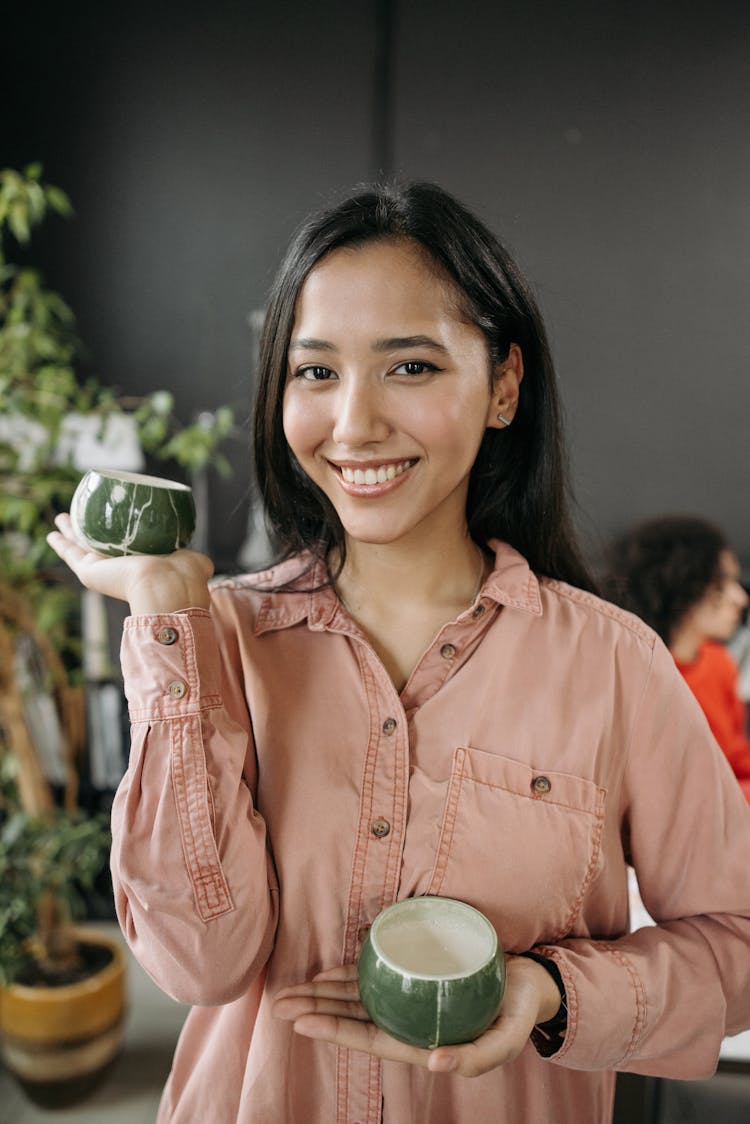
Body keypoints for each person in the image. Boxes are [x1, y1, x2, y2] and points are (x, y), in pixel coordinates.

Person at [47, 182, 750, 1124]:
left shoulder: (615, 666)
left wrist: (548, 993)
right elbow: (199, 963)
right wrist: (170, 618)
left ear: (504, 386)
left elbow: (736, 944)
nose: (354, 425)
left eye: (409, 367)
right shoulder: (214, 643)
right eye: (316, 372)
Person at [607, 515, 750, 801]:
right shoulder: (639, 677)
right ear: (682, 587)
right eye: (722, 584)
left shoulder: (718, 661)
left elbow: (735, 757)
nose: (740, 598)